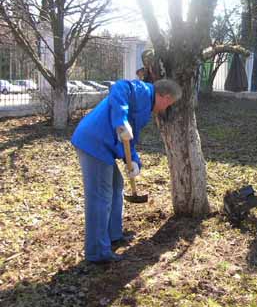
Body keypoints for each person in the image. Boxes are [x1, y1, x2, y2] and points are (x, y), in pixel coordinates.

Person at [71, 78, 182, 263]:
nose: (165, 109)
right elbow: (119, 87)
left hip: (104, 145)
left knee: (116, 186)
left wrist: (134, 162)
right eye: (168, 104)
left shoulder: (146, 108)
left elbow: (130, 138)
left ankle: (114, 235)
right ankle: (97, 252)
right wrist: (120, 120)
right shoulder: (143, 91)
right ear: (164, 96)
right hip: (93, 142)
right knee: (101, 196)